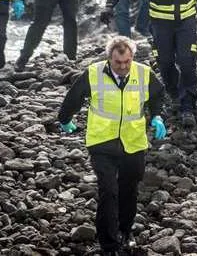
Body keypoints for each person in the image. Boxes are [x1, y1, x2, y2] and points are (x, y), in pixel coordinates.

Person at [57, 36, 166, 256]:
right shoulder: (94, 73)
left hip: (133, 142)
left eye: (127, 62)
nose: (124, 67)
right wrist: (65, 118)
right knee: (108, 191)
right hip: (102, 142)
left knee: (129, 190)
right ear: (109, 58)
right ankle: (108, 244)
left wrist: (157, 116)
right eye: (119, 62)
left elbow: (157, 94)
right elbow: (75, 96)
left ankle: (125, 232)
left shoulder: (143, 73)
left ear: (132, 57)